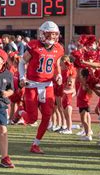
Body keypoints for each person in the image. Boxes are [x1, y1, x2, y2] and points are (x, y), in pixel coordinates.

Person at [16, 21, 64, 154]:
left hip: (48, 85)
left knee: (47, 116)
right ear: (43, 34)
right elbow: (22, 62)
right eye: (49, 34)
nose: (52, 37)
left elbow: (57, 64)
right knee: (32, 119)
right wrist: (22, 77)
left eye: (54, 34)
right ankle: (20, 111)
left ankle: (35, 144)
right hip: (32, 84)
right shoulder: (34, 46)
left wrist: (59, 75)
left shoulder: (59, 48)